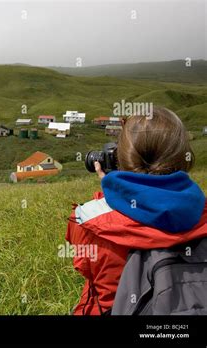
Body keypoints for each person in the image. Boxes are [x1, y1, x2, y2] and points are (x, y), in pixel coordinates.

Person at [66, 107, 207, 315]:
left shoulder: (89, 220)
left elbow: (87, 270)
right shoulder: (201, 213)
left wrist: (114, 194)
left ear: (119, 159)